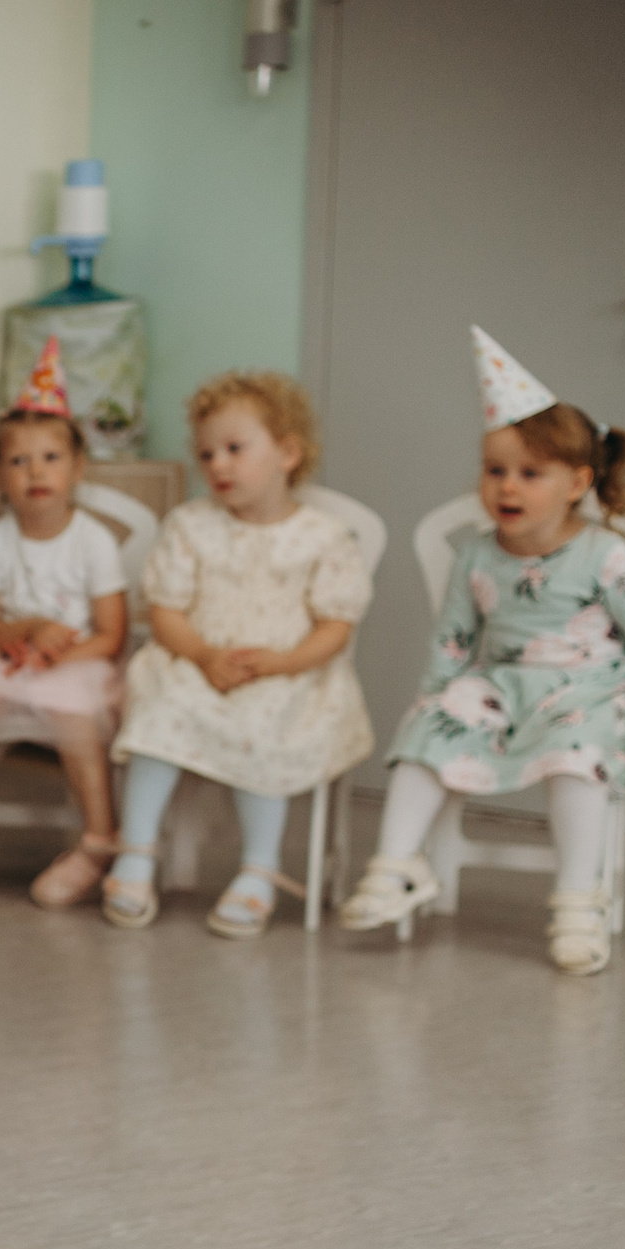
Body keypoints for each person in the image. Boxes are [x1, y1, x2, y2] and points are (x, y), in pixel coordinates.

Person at [339, 329, 625, 974]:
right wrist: (434, 697)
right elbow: (453, 637)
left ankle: (578, 898)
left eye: (531, 474)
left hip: (588, 690)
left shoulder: (607, 556)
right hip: (501, 685)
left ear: (577, 482)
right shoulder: (476, 552)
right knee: (429, 731)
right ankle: (397, 866)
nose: (508, 487)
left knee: (575, 758)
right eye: (495, 470)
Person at [104, 372, 374, 936]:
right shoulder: (190, 525)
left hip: (286, 671)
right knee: (159, 707)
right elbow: (167, 611)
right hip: (199, 661)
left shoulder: (324, 537)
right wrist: (202, 655)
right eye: (207, 454)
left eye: (234, 449)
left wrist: (283, 663)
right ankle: (136, 853)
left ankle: (259, 869)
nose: (218, 465)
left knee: (266, 721)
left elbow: (335, 626)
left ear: (287, 452)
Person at [0, 355, 129, 908]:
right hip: (3, 654)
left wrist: (59, 652)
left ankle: (97, 843)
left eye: (50, 459)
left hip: (75, 660)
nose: (36, 473)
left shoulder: (93, 542)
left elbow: (111, 634)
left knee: (76, 716)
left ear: (77, 468)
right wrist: (32, 630)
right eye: (18, 461)